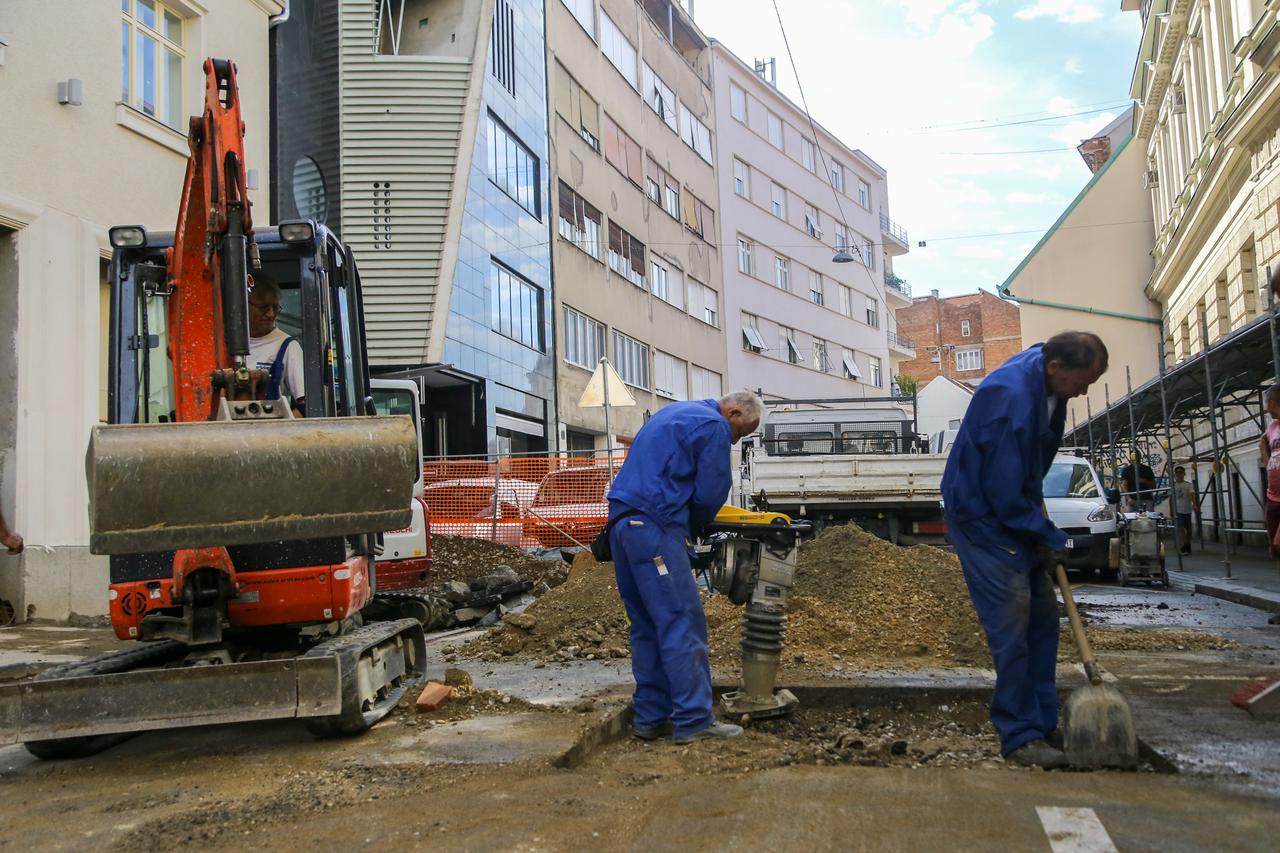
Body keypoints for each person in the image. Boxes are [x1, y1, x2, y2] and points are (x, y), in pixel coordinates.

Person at [941, 331, 1108, 769]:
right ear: (1056, 368)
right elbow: (1002, 489)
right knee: (1012, 626)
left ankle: (1041, 719)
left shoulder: (1047, 380)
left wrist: (1039, 520)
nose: (1084, 391)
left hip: (1014, 510)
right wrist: (1047, 535)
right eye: (1082, 382)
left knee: (1042, 620)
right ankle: (1019, 735)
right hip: (984, 519)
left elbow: (1027, 469)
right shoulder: (1010, 397)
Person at [606, 391, 763, 744]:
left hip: (622, 524)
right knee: (681, 620)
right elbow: (712, 490)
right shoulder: (714, 425)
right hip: (654, 526)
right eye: (741, 431)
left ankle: (650, 718)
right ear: (733, 411)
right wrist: (695, 527)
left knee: (647, 624)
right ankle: (693, 720)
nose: (736, 439)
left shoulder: (676, 412)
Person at [247, 273, 305, 417]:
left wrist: (278, 431)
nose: (271, 314)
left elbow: (306, 406)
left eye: (275, 307)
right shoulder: (223, 344)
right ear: (243, 305)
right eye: (264, 307)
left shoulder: (287, 346)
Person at [1258, 383, 1280, 559]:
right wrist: (1263, 451)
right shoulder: (1272, 428)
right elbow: (1270, 459)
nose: (1266, 408)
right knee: (1274, 547)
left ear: (1272, 403)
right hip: (1273, 496)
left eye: (1266, 403)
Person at [1171, 466, 1197, 556]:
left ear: (1184, 474)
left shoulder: (1188, 485)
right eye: (1177, 472)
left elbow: (1192, 494)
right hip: (1178, 510)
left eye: (1181, 472)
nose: (1179, 474)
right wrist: (1171, 510)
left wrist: (1195, 504)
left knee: (1188, 529)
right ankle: (1185, 545)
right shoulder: (1173, 486)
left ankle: (1188, 543)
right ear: (1175, 474)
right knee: (1181, 528)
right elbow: (1171, 498)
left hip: (1187, 509)